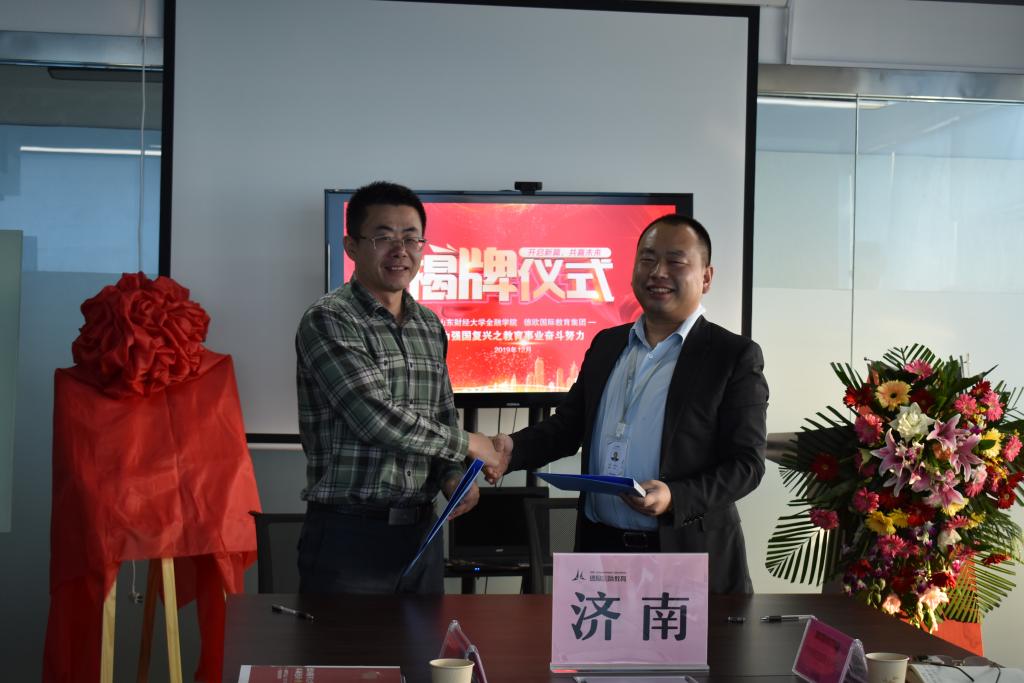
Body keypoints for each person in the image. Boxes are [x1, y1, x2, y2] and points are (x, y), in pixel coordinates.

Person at [488, 214, 768, 594]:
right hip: (600, 556)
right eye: (648, 259)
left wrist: (675, 496)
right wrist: (513, 448)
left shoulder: (732, 355)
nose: (658, 272)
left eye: (675, 261)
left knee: (691, 640)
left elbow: (746, 464)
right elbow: (567, 427)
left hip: (684, 557)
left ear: (706, 277)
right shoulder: (608, 344)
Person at [295, 180, 500, 594]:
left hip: (421, 533)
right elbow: (374, 418)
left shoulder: (429, 325)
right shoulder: (330, 319)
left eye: (411, 238)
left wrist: (451, 477)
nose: (400, 250)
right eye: (384, 237)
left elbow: (441, 414)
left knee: (426, 639)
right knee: (350, 641)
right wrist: (469, 444)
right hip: (349, 536)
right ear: (351, 246)